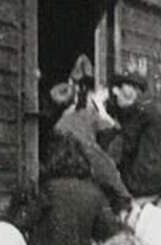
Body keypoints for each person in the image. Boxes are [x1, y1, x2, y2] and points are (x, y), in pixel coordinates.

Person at [51, 54, 132, 211]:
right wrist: (101, 108)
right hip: (87, 183)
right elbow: (115, 134)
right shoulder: (89, 115)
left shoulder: (60, 124)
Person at [104, 69, 161, 200]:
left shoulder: (138, 115)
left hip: (142, 186)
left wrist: (109, 125)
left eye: (120, 89)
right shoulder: (154, 113)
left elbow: (125, 147)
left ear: (133, 92)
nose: (116, 94)